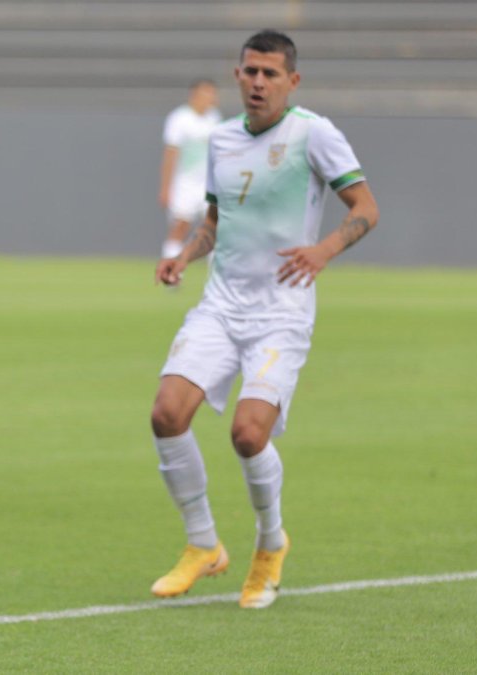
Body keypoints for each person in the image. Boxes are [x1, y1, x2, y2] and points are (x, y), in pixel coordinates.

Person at [149, 29, 379, 609]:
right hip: (221, 305)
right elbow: (215, 220)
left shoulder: (313, 133)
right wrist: (183, 256)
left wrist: (322, 251)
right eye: (250, 71)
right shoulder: (222, 140)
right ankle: (203, 545)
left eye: (270, 74)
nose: (258, 82)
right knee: (167, 413)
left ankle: (270, 542)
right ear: (237, 75)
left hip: (281, 312)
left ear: (291, 81)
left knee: (248, 434)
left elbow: (366, 208)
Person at [159, 79, 221, 261]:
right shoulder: (179, 119)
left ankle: (215, 274)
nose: (209, 98)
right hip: (184, 183)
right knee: (180, 226)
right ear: (194, 95)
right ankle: (170, 271)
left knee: (214, 227)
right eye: (205, 93)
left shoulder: (214, 118)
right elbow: (171, 154)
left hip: (207, 184)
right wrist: (165, 188)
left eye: (212, 94)